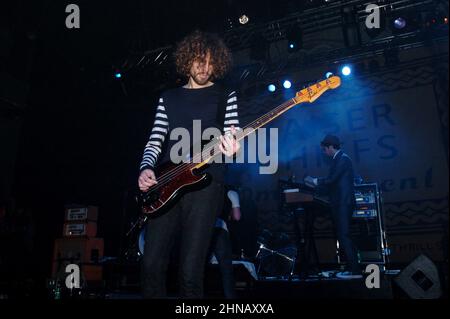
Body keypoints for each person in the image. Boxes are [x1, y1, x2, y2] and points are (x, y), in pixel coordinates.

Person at [137, 30, 241, 298]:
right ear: (186, 61)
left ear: (216, 63)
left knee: (190, 271)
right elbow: (155, 139)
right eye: (198, 61)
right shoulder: (168, 98)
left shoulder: (225, 95)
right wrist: (146, 168)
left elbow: (233, 133)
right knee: (151, 265)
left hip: (206, 185)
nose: (204, 68)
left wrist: (233, 147)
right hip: (166, 183)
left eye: (209, 62)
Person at [305, 134, 362, 279]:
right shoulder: (338, 160)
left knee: (344, 235)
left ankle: (354, 270)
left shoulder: (343, 159)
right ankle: (351, 268)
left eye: (325, 149)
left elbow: (331, 180)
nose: (324, 152)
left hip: (344, 203)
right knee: (342, 235)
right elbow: (332, 185)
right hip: (339, 203)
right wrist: (315, 186)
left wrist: (315, 181)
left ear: (331, 147)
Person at [209, 188, 241, 299]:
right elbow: (237, 217)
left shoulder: (206, 190)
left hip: (201, 229)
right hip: (219, 228)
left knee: (197, 267)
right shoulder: (231, 192)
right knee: (226, 269)